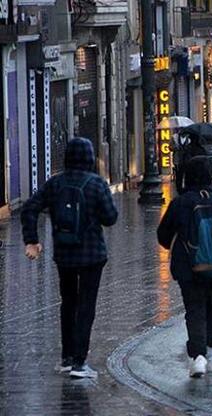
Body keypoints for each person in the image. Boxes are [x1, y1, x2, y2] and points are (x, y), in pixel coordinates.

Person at [21, 137, 119, 379]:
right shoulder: (96, 184)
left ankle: (66, 358)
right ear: (89, 157)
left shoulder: (55, 183)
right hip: (92, 255)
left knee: (68, 303)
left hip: (64, 254)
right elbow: (111, 218)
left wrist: (31, 240)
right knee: (86, 307)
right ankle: (79, 362)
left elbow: (29, 208)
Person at [157, 156, 212, 378]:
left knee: (194, 310)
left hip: (189, 268)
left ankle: (198, 356)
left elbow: (163, 235)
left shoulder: (181, 203)